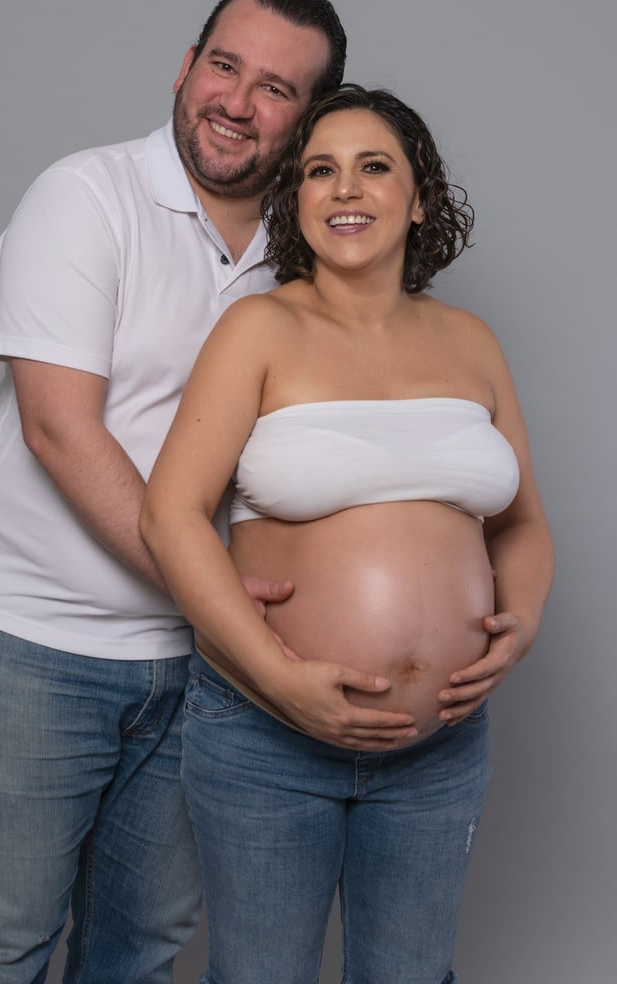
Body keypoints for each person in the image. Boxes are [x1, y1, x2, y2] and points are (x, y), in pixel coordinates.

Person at [0, 4, 370, 983]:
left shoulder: (310, 256)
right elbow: (57, 426)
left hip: (206, 673)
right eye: (224, 66)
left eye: (275, 89)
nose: (237, 104)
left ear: (314, 113)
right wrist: (209, 591)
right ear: (185, 65)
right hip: (35, 646)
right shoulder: (86, 196)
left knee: (142, 952)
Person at [141, 84, 555, 983]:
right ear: (295, 200)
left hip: (441, 746)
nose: (346, 190)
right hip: (264, 735)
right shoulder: (259, 328)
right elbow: (170, 516)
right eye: (320, 171)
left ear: (421, 196)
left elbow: (522, 524)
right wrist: (281, 678)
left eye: (375, 167)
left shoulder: (471, 342)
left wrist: (519, 623)